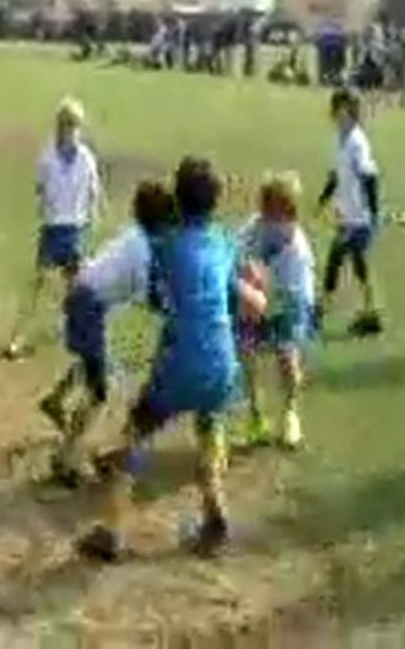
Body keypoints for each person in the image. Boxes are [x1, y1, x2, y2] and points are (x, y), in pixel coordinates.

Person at [75, 156, 268, 562]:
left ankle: (112, 532)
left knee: (136, 433)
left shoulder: (166, 244)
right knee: (209, 426)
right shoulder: (225, 240)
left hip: (183, 360)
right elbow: (239, 293)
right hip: (222, 359)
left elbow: (156, 255)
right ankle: (216, 515)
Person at [40, 181, 178, 488]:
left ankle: (57, 400)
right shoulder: (143, 249)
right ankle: (63, 460)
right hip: (87, 306)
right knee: (101, 391)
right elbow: (150, 297)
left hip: (85, 300)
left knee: (95, 361)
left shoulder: (135, 237)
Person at [6, 97, 102, 360]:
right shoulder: (47, 156)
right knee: (38, 283)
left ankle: (69, 329)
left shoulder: (86, 158)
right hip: (53, 230)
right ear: (59, 126)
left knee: (75, 286)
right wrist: (48, 208)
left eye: (75, 126)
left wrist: (90, 217)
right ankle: (18, 336)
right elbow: (40, 187)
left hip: (75, 230)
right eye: (66, 125)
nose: (70, 131)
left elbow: (94, 191)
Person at [234, 171, 315, 450]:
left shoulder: (297, 249)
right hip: (255, 301)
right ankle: (256, 418)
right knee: (247, 357)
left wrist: (258, 291)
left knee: (287, 359)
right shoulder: (254, 227)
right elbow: (235, 254)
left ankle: (290, 413)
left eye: (271, 207)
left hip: (286, 305)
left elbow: (292, 294)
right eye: (263, 205)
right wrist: (245, 275)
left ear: (287, 210)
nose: (264, 212)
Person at [316, 87, 383, 336]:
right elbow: (336, 175)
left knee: (336, 260)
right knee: (357, 263)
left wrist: (373, 213)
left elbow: (369, 176)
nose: (339, 115)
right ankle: (371, 312)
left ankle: (323, 308)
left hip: (358, 216)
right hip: (347, 214)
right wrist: (323, 200)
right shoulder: (341, 140)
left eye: (344, 110)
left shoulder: (357, 142)